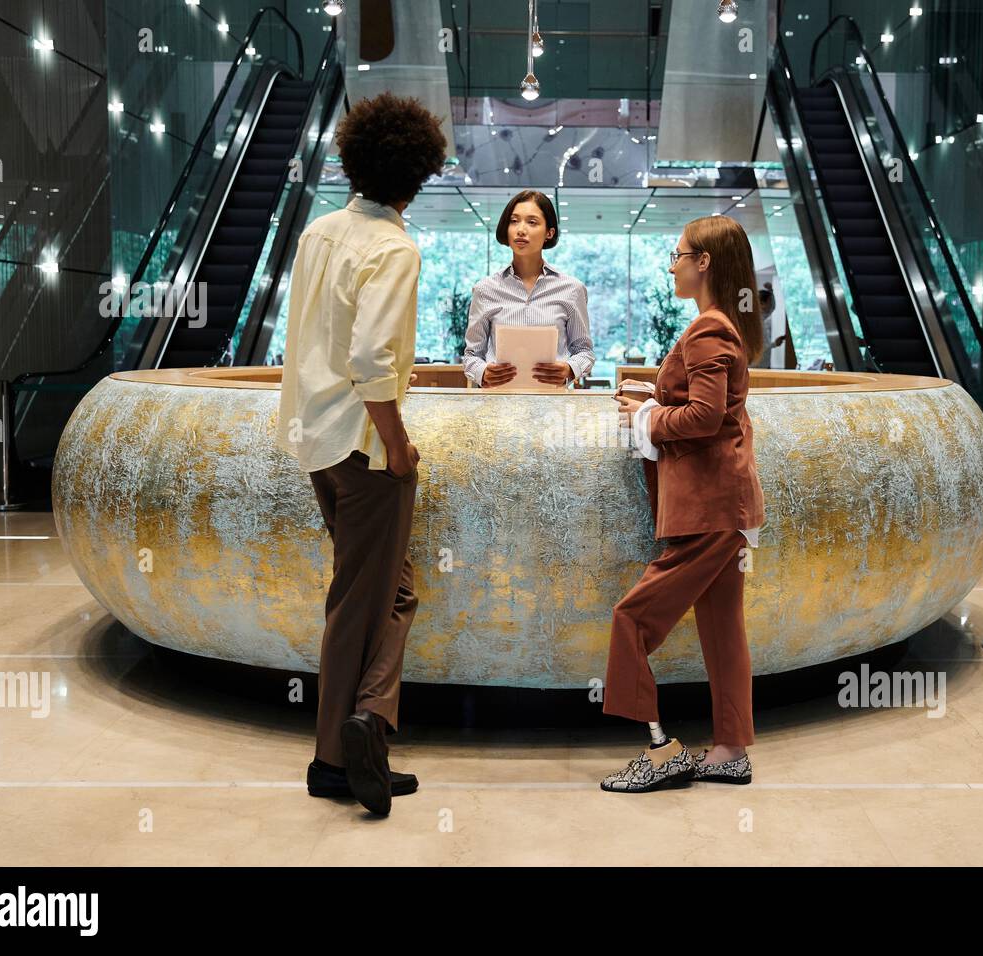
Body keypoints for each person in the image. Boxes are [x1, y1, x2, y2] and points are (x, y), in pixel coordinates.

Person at [276, 92, 446, 817]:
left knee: (389, 591)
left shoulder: (320, 232)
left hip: (316, 439)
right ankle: (335, 757)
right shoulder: (395, 247)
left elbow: (314, 339)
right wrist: (400, 445)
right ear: (419, 173)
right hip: (367, 449)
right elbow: (375, 361)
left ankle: (367, 723)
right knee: (360, 602)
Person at [601, 215, 766, 793]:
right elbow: (710, 407)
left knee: (632, 619)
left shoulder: (708, 330)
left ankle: (660, 750)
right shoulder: (722, 327)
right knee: (723, 630)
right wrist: (657, 396)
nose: (671, 264)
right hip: (724, 506)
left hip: (707, 507)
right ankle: (729, 751)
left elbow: (703, 418)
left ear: (704, 263)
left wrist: (647, 415)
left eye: (677, 254)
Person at [463, 190, 595, 388]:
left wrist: (569, 369)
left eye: (532, 222)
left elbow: (584, 351)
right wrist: (483, 373)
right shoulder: (485, 290)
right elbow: (472, 355)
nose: (520, 230)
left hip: (553, 407)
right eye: (514, 221)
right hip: (498, 405)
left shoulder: (572, 289)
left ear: (549, 233)